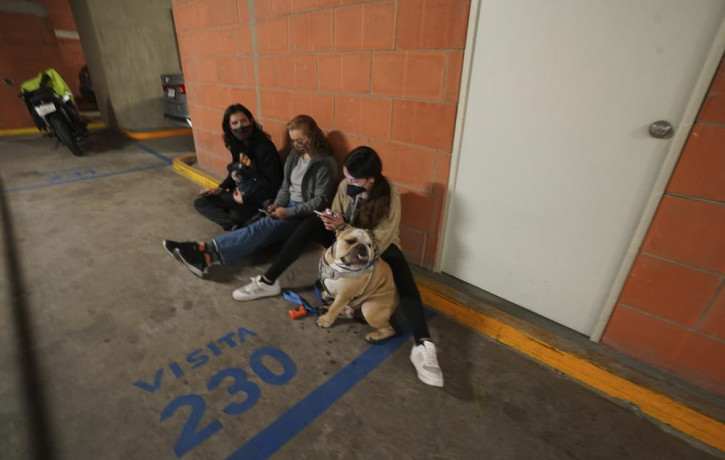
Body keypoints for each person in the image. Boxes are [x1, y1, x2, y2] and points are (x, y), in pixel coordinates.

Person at [232, 146, 444, 387]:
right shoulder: (345, 186)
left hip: (375, 245)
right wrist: (331, 221)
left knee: (404, 276)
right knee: (309, 225)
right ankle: (268, 282)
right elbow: (336, 212)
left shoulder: (390, 193)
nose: (348, 182)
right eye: (346, 176)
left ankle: (423, 345)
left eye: (354, 179)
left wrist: (346, 227)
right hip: (345, 238)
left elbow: (383, 235)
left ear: (371, 179)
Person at [163, 114, 338, 279]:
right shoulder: (295, 155)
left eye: (300, 140)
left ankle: (201, 250)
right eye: (293, 140)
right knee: (254, 229)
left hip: (304, 216)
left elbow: (319, 201)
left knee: (258, 229)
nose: (296, 144)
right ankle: (204, 256)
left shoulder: (324, 163)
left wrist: (288, 212)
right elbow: (286, 186)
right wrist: (277, 205)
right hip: (286, 206)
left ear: (313, 135)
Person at [193, 104, 282, 231]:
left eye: (244, 121)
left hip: (260, 196)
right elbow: (235, 172)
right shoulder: (236, 144)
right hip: (240, 193)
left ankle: (243, 222)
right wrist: (220, 188)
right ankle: (237, 224)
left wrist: (246, 196)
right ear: (229, 126)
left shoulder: (264, 147)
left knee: (236, 215)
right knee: (201, 202)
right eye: (235, 123)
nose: (240, 126)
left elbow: (273, 184)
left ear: (251, 121)